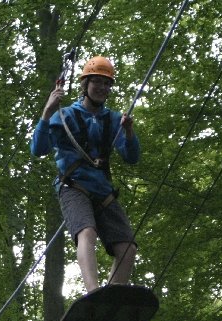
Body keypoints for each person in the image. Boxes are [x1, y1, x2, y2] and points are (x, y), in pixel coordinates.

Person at [31, 55, 140, 293]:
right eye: (97, 82)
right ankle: (94, 292)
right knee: (87, 232)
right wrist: (47, 112)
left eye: (106, 83)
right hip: (74, 185)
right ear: (85, 84)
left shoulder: (113, 120)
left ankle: (110, 298)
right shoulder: (65, 116)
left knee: (127, 248)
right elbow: (38, 149)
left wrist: (129, 132)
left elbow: (132, 157)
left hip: (103, 190)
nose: (102, 88)